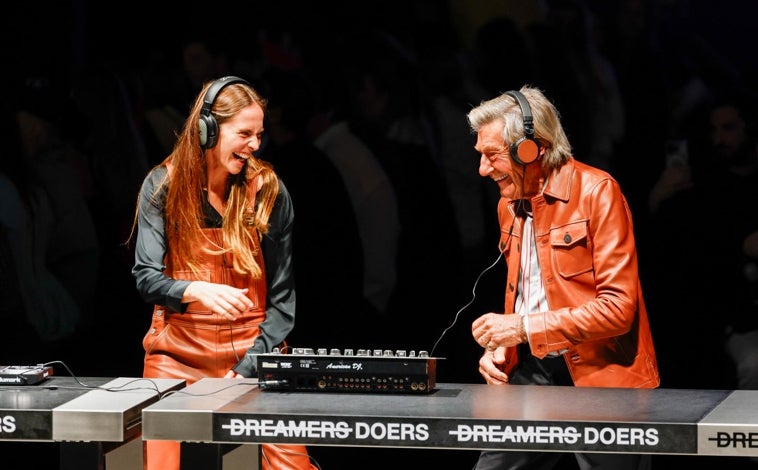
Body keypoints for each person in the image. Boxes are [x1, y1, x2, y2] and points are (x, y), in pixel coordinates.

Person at [467, 86, 659, 470]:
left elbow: (618, 310)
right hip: (534, 373)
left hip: (604, 379)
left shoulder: (597, 192)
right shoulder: (510, 205)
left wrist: (522, 328)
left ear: (530, 149)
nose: (483, 170)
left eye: (492, 156)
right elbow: (526, 294)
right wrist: (503, 347)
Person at [130, 76, 316, 470]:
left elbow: (282, 302)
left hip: (254, 353)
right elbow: (146, 277)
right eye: (244, 133)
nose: (255, 145)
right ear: (208, 129)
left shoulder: (268, 190)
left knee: (292, 466)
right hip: (176, 356)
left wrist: (247, 368)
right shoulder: (161, 186)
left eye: (259, 134)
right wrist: (194, 288)